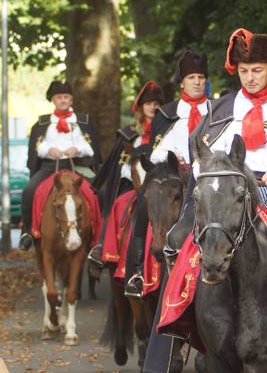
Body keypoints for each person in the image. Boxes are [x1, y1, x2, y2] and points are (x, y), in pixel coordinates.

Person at [165, 28, 267, 353]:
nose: (250, 78)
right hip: (227, 199)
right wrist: (217, 177)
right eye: (244, 71)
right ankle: (185, 322)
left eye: (257, 70)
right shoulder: (220, 110)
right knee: (174, 243)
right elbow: (201, 155)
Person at [121, 51, 209, 297]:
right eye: (192, 77)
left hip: (208, 178)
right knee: (141, 210)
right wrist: (175, 157)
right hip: (173, 178)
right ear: (182, 81)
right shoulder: (167, 113)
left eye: (201, 77)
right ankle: (136, 272)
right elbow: (155, 152)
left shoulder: (218, 109)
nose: (197, 82)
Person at [89, 81, 164, 265]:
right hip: (133, 184)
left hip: (162, 186)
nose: (152, 108)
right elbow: (120, 162)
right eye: (148, 104)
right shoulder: (130, 133)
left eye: (156, 104)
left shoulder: (166, 130)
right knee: (114, 201)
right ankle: (103, 246)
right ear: (140, 107)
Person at [20, 81, 99, 250]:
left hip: (76, 167)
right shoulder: (42, 124)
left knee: (97, 193)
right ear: (53, 100)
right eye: (59, 97)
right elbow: (37, 148)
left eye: (66, 97)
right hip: (49, 168)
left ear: (71, 100)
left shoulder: (82, 122)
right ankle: (27, 232)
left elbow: (91, 149)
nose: (63, 100)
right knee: (28, 192)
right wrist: (49, 150)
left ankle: (97, 237)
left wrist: (77, 149)